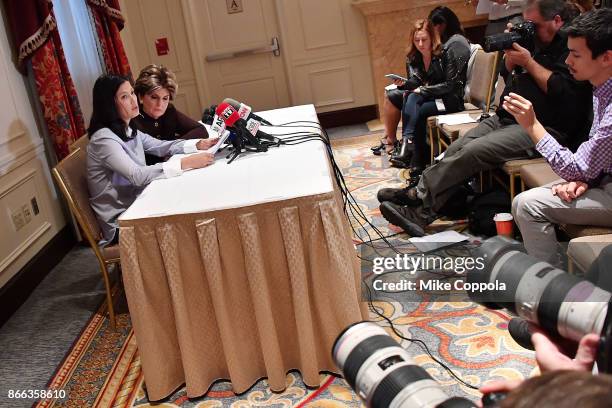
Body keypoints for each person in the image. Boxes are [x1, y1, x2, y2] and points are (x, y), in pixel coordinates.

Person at [377, 0, 593, 237]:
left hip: (541, 128)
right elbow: (507, 74)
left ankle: (418, 202)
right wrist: (510, 63)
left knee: (474, 151)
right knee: (457, 147)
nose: (527, 28)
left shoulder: (572, 51)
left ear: (557, 21)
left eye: (533, 24)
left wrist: (528, 62)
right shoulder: (533, 41)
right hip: (506, 116)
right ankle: (420, 199)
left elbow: (562, 91)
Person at [507, 8, 612, 266]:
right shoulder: (602, 88)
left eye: (576, 54)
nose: (567, 61)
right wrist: (588, 179)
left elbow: (574, 166)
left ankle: (552, 290)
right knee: (527, 201)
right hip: (605, 180)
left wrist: (532, 125)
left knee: (527, 205)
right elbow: (593, 159)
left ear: (606, 58)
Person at [87, 75, 218, 246]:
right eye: (124, 97)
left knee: (191, 198)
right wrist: (186, 163)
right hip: (121, 221)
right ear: (109, 104)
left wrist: (198, 144)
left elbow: (161, 146)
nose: (134, 100)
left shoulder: (126, 127)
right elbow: (137, 175)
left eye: (132, 93)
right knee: (187, 216)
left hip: (139, 201)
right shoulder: (104, 139)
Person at [389, 7, 471, 170]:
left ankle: (414, 155)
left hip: (449, 100)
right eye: (416, 40)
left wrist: (423, 91)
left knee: (418, 106)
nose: (420, 44)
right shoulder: (416, 57)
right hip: (432, 98)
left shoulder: (445, 53)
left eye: (424, 40)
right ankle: (412, 150)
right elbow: (417, 79)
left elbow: (451, 85)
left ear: (431, 38)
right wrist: (404, 84)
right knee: (410, 97)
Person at [132, 64, 207, 164]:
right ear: (141, 97)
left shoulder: (169, 111)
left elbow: (200, 130)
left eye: (165, 98)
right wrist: (173, 148)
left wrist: (174, 148)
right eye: (154, 97)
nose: (160, 104)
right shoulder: (132, 120)